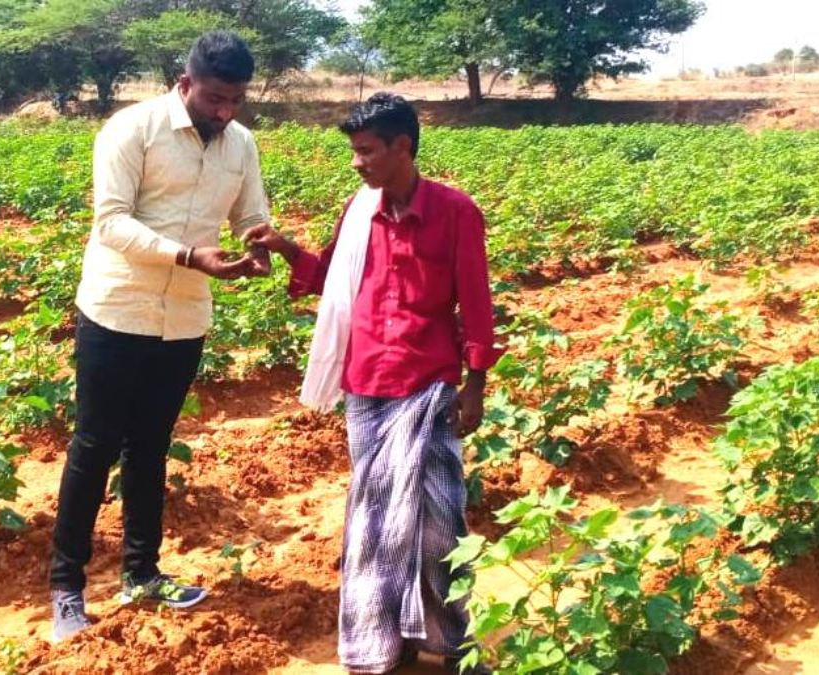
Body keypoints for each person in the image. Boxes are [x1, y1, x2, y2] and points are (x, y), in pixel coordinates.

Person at [245, 93, 498, 674]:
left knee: (439, 523)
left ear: (401, 147)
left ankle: (452, 644)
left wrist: (476, 383)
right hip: (367, 387)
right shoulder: (359, 212)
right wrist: (285, 248)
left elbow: (476, 305)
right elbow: (328, 277)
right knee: (376, 521)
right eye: (354, 152)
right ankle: (383, 642)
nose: (357, 163)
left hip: (427, 384)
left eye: (366, 152)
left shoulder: (456, 212)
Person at [48, 31, 272, 643]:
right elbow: (111, 222)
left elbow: (251, 214)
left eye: (236, 100)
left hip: (184, 320)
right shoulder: (132, 129)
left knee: (150, 447)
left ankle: (141, 574)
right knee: (94, 446)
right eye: (215, 98)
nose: (225, 111)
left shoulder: (242, 144)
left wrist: (262, 245)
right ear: (185, 84)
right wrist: (186, 256)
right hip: (116, 311)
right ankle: (67, 587)